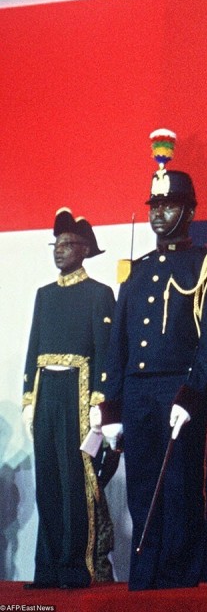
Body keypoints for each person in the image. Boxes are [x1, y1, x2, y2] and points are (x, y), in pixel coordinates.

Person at [98, 135, 207, 590]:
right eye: (155, 205)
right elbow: (117, 343)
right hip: (137, 394)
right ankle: (146, 578)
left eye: (170, 205)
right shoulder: (134, 271)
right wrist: (112, 410)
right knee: (141, 485)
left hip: (178, 389)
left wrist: (194, 393)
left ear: (190, 212)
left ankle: (178, 580)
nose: (159, 213)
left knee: (178, 486)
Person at [21, 209, 116, 588]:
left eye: (67, 244)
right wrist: (28, 397)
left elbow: (104, 350)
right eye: (56, 245)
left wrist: (99, 402)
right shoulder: (43, 296)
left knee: (74, 480)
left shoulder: (99, 294)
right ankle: (47, 568)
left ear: (84, 249)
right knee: (46, 478)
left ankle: (74, 566)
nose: (59, 251)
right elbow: (33, 348)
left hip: (78, 392)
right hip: (46, 392)